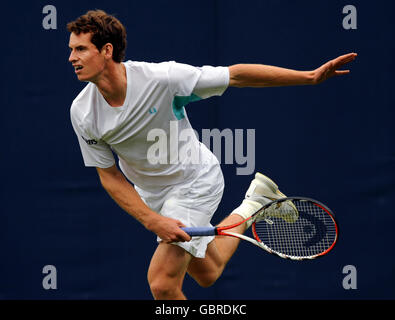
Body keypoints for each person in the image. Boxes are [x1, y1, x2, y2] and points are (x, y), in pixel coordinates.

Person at [67, 10, 357, 300]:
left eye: (80, 49)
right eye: (71, 49)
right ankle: (254, 204)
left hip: (194, 181)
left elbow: (236, 76)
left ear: (107, 50)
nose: (72, 58)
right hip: (152, 195)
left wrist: (309, 77)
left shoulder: (162, 79)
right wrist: (152, 219)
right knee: (209, 272)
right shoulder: (82, 112)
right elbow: (109, 176)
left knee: (162, 284)